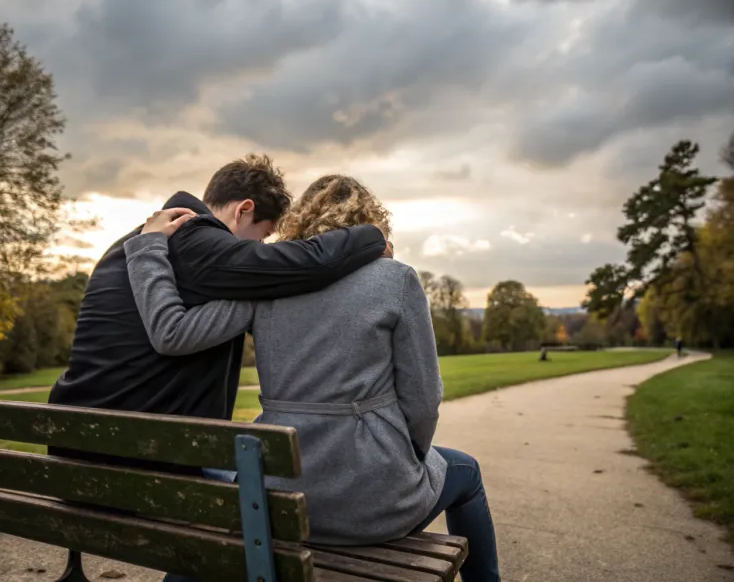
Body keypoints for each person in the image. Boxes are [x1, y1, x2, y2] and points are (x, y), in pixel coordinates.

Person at [125, 175, 500, 582]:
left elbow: (174, 334)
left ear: (302, 221)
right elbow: (424, 400)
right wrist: (406, 454)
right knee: (466, 471)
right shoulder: (395, 280)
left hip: (275, 505)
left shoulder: (269, 283)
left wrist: (148, 251)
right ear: (370, 225)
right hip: (376, 505)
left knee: (226, 473)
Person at [48, 154, 389, 475]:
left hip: (77, 447)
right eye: (265, 235)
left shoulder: (136, 240)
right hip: (137, 461)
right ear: (243, 210)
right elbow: (308, 263)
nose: (261, 248)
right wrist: (372, 236)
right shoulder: (198, 238)